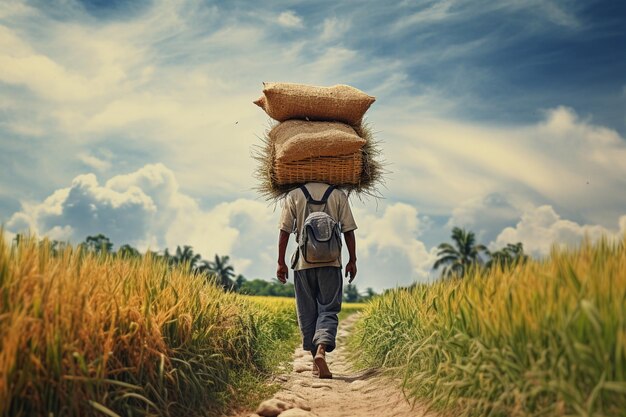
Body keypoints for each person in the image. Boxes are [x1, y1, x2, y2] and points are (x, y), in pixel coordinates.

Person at [276, 182, 357, 379]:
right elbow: (348, 231)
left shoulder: (295, 194)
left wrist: (281, 262)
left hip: (304, 264)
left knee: (307, 312)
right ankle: (321, 351)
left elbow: (284, 231)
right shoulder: (338, 195)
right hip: (331, 263)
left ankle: (315, 360)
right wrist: (352, 260)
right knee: (328, 309)